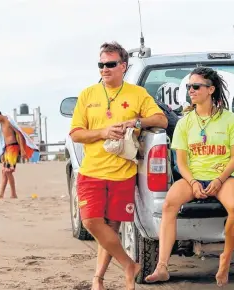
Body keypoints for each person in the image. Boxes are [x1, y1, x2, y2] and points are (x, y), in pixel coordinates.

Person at [69, 41, 168, 290]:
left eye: (111, 64)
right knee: (91, 221)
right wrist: (103, 132)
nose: (105, 69)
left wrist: (135, 122)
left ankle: (98, 279)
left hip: (123, 171)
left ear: (123, 66)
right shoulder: (88, 95)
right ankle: (129, 265)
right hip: (92, 170)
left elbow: (161, 120)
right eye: (101, 64)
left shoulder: (137, 94)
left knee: (112, 227)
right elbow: (76, 134)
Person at [144, 67, 234, 286]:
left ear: (211, 89)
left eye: (196, 86)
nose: (191, 90)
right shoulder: (185, 122)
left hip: (224, 177)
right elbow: (181, 161)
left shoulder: (230, 120)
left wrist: (219, 180)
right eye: (189, 86)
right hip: (193, 177)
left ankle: (225, 259)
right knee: (169, 204)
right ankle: (162, 266)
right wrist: (192, 182)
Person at [0, 108, 29, 198]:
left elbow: (20, 134)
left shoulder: (8, 121)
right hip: (6, 149)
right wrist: (2, 152)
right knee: (4, 172)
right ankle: (1, 194)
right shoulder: (0, 124)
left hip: (13, 147)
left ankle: (13, 194)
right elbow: (1, 139)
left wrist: (22, 149)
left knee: (8, 171)